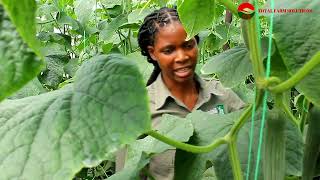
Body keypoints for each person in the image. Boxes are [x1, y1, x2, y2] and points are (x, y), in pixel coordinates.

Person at [117, 7, 245, 180]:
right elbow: (127, 175)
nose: (182, 57)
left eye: (188, 45)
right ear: (153, 53)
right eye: (169, 50)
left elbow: (253, 152)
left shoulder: (223, 96)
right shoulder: (136, 111)